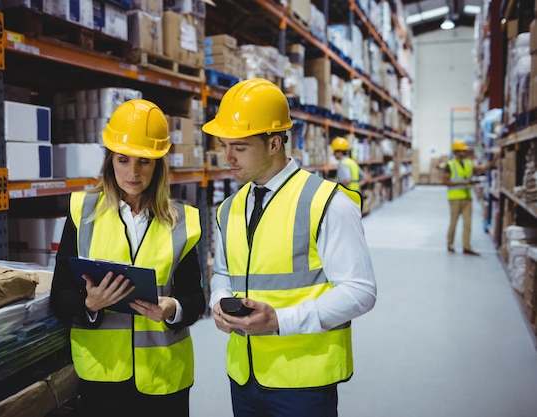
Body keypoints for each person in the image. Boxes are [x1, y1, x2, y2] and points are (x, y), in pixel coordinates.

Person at [202, 78, 377, 417]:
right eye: (224, 145)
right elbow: (223, 273)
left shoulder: (327, 203)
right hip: (243, 375)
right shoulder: (229, 208)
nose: (228, 158)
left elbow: (360, 291)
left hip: (303, 381)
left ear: (274, 143)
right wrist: (217, 303)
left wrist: (281, 320)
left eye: (239, 147)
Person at [50, 99, 205, 417]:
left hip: (164, 378)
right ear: (110, 161)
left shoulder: (183, 221)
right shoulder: (83, 213)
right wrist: (89, 305)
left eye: (144, 161)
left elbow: (196, 299)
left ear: (159, 164)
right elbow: (60, 295)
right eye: (123, 160)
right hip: (103, 378)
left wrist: (172, 309)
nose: (133, 172)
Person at [443, 139, 498, 256]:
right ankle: (450, 243)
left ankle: (466, 246)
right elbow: (445, 181)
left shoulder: (468, 163)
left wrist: (495, 159)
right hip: (454, 197)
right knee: (454, 222)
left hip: (467, 197)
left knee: (467, 223)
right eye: (462, 151)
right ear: (457, 152)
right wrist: (463, 183)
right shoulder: (450, 165)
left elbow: (483, 169)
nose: (465, 152)